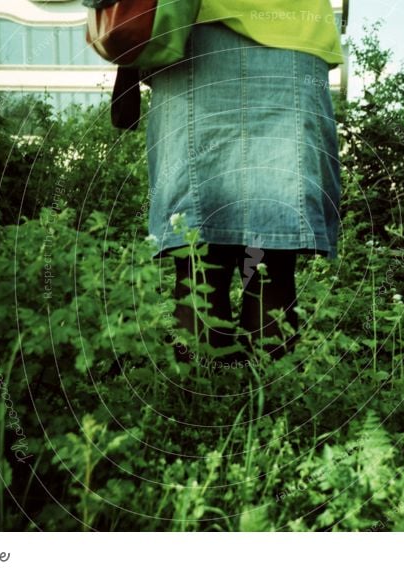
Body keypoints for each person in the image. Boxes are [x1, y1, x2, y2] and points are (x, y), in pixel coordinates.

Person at [142, 1, 344, 364]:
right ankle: (274, 416)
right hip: (292, 37)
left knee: (198, 261)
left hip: (193, 35)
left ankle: (200, 412)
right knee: (271, 260)